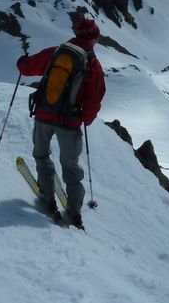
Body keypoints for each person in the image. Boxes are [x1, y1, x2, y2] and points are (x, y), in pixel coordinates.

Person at [16, 18, 106, 227]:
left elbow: (27, 68)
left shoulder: (56, 52)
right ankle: (74, 211)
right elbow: (94, 98)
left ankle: (47, 196)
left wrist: (22, 62)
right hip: (69, 122)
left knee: (41, 155)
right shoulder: (93, 65)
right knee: (71, 167)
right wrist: (85, 119)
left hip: (43, 115)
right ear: (95, 38)